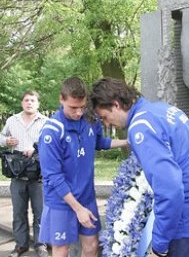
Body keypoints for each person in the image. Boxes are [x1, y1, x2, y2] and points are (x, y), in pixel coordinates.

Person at [90, 77, 189, 257]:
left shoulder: (141, 127)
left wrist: (159, 246)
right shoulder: (165, 110)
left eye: (105, 117)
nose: (106, 124)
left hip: (186, 227)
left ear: (116, 104)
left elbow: (170, 189)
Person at [38, 77, 128, 257]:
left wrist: (127, 142)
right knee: (61, 250)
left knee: (92, 246)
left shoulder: (91, 118)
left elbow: (99, 141)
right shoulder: (52, 131)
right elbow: (53, 176)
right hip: (61, 201)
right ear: (61, 99)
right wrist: (77, 209)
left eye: (82, 106)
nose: (79, 112)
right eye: (73, 107)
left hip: (86, 196)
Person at [0, 90, 49, 257]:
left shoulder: (46, 122)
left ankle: (40, 244)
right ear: (22, 103)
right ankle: (20, 245)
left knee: (40, 211)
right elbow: (0, 137)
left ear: (38, 104)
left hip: (38, 170)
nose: (29, 103)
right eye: (26, 100)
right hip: (18, 170)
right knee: (18, 211)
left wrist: (36, 149)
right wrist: (6, 141)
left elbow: (52, 144)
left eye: (33, 100)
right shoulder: (12, 120)